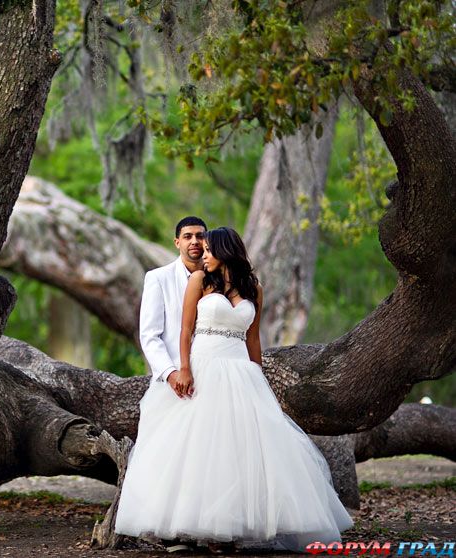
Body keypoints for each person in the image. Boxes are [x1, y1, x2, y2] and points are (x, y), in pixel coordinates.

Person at [115, 227, 352, 552]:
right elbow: (185, 331)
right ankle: (183, 533)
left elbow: (253, 339)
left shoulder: (254, 288)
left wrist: (260, 380)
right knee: (197, 448)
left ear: (226, 252)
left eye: (210, 249)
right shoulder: (199, 282)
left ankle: (232, 530)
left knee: (241, 451)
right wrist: (183, 369)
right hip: (204, 366)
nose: (204, 254)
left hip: (241, 371)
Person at [139, 216, 207, 398]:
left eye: (200, 236)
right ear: (177, 242)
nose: (194, 241)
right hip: (176, 380)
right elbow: (149, 335)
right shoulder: (159, 278)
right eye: (188, 236)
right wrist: (170, 374)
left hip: (214, 375)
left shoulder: (220, 278)